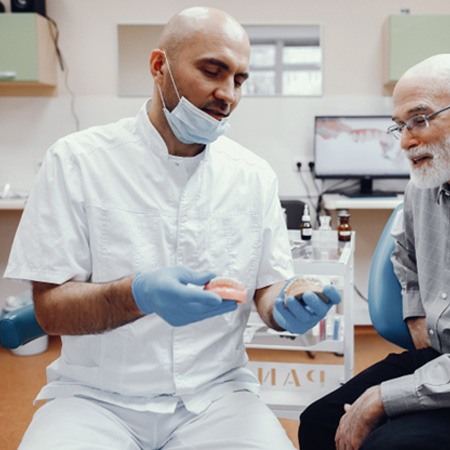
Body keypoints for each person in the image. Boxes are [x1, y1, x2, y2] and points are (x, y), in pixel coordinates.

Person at [5, 7, 340, 449]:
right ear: (159, 66)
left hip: (218, 398)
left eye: (239, 79)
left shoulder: (253, 176)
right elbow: (49, 309)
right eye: (212, 70)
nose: (228, 94)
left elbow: (267, 287)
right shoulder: (76, 161)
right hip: (95, 399)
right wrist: (136, 294)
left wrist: (286, 305)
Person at [298, 53, 450, 450]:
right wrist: (416, 311)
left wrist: (386, 397)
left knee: (388, 443)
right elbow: (406, 252)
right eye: (399, 126)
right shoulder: (423, 186)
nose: (404, 141)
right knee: (319, 422)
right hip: (438, 357)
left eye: (420, 119)